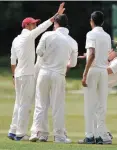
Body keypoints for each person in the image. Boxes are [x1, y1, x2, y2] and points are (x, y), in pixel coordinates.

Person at [8, 2, 65, 141]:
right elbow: (43, 27)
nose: (34, 25)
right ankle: (20, 134)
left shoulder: (16, 40)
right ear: (27, 26)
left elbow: (12, 60)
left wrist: (14, 76)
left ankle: (13, 129)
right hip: (27, 75)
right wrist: (56, 15)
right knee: (25, 104)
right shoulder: (28, 36)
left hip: (19, 75)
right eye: (32, 24)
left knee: (18, 103)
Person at [29, 14, 78, 143]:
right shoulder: (72, 41)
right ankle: (59, 136)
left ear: (55, 24)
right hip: (59, 75)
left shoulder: (47, 35)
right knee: (58, 105)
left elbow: (38, 52)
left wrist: (48, 56)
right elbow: (72, 64)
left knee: (41, 103)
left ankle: (38, 133)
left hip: (44, 72)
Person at [78, 35, 117, 143]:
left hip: (103, 85)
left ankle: (104, 136)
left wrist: (94, 62)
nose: (116, 46)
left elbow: (106, 70)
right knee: (95, 110)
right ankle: (104, 134)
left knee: (95, 110)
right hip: (102, 84)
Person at [78, 11, 112, 144]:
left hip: (93, 70)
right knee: (101, 104)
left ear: (92, 20)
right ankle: (100, 136)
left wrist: (85, 73)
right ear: (102, 22)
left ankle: (89, 136)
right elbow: (104, 54)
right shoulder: (107, 36)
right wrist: (87, 56)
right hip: (103, 71)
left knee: (89, 104)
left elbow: (92, 54)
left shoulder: (91, 34)